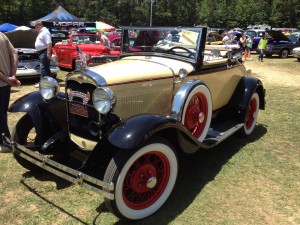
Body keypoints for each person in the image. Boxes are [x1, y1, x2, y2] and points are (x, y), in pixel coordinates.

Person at [0, 32, 21, 152]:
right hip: (6, 84)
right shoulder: (2, 35)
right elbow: (14, 53)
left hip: (5, 81)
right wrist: (12, 75)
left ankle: (5, 142)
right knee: (2, 113)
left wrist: (8, 78)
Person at [34, 21, 52, 87]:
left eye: (35, 27)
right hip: (43, 52)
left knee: (43, 68)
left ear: (38, 25)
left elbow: (49, 43)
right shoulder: (42, 32)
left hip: (44, 51)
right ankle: (49, 82)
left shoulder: (45, 32)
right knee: (45, 68)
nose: (35, 29)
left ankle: (44, 83)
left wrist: (48, 52)